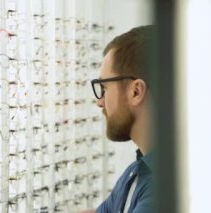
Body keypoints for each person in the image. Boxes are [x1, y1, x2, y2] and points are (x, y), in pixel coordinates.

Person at [82, 25, 156, 213]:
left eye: (104, 88)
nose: (100, 102)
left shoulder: (161, 189)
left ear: (136, 91)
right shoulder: (137, 172)